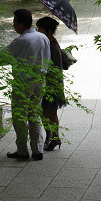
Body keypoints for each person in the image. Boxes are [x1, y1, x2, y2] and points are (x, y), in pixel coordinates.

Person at [4, 8, 50, 161]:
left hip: (23, 83)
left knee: (20, 117)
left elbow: (2, 57)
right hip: (40, 81)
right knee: (35, 115)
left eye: (14, 22)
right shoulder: (43, 37)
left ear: (21, 24)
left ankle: (23, 150)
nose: (13, 25)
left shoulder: (21, 41)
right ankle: (37, 150)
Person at [36, 16, 66, 151]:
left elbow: (52, 68)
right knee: (44, 111)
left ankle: (55, 138)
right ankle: (50, 136)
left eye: (40, 29)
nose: (37, 31)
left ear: (47, 30)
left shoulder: (52, 46)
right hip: (49, 83)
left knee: (50, 112)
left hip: (51, 84)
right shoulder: (49, 43)